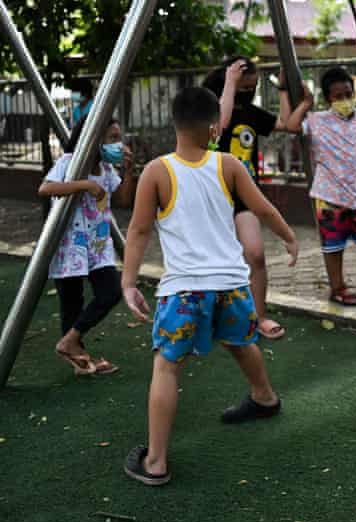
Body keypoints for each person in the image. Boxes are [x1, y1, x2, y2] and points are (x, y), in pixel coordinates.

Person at [120, 87, 299, 486]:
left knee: (166, 366)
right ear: (215, 126)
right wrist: (288, 237)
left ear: (175, 123)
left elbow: (139, 230)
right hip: (233, 287)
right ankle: (265, 397)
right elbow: (262, 207)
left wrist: (129, 281)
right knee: (239, 339)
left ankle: (155, 462)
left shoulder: (156, 171)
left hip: (184, 292)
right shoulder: (229, 164)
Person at [202, 56, 296, 340]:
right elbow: (221, 124)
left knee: (255, 253)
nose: (248, 92)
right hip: (211, 194)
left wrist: (283, 91)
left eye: (252, 87)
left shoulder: (252, 113)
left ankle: (259, 315)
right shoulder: (210, 108)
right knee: (213, 258)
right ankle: (210, 315)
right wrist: (230, 82)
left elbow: (287, 123)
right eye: (245, 86)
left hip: (244, 194)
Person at [37, 117, 136, 376]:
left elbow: (124, 200)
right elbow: (45, 188)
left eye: (118, 138)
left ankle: (70, 342)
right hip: (70, 243)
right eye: (112, 138)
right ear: (94, 139)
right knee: (72, 301)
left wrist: (128, 170)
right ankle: (79, 356)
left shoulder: (106, 168)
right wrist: (85, 185)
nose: (118, 143)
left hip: (98, 244)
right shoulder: (69, 163)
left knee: (111, 290)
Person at [287, 67, 356, 305]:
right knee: (333, 245)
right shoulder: (316, 121)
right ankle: (338, 287)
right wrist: (306, 103)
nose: (344, 100)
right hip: (327, 194)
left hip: (355, 195)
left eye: (348, 94)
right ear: (328, 99)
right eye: (338, 96)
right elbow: (291, 126)